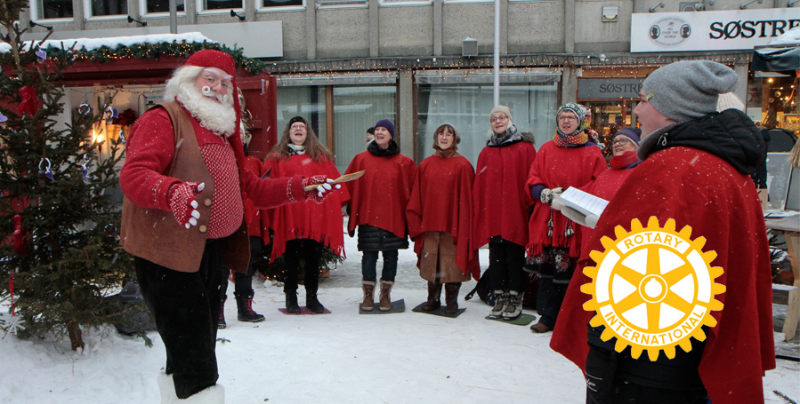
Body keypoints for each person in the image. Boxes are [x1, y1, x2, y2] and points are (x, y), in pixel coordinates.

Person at [552, 61, 775, 404]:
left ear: (672, 106)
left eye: (643, 99)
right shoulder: (724, 164)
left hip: (649, 360)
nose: (637, 110)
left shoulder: (672, 167)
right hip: (690, 354)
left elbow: (628, 269)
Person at [119, 50, 335, 403]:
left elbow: (250, 188)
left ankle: (181, 396)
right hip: (168, 255)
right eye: (210, 79)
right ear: (189, 80)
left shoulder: (222, 132)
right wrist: (171, 192)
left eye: (225, 82)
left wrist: (301, 188)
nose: (218, 87)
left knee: (194, 346)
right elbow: (134, 176)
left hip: (209, 253)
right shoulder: (164, 119)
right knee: (197, 357)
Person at [525, 103, 607, 333]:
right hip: (549, 219)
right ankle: (548, 316)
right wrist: (544, 192)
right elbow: (533, 179)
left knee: (572, 273)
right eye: (562, 117)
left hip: (575, 220)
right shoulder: (546, 149)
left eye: (571, 117)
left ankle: (571, 319)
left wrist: (572, 196)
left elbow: (599, 183)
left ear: (580, 122)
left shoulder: (592, 152)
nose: (566, 121)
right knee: (549, 273)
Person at [264, 116, 349, 314]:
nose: (299, 130)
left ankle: (312, 297)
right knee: (290, 259)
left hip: (314, 216)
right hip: (290, 215)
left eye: (302, 127)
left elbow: (335, 184)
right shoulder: (277, 157)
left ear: (308, 132)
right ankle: (291, 297)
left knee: (313, 258)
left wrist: (338, 201)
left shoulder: (320, 157)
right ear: (288, 132)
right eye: (295, 127)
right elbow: (266, 184)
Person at [406, 124, 480, 314]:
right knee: (432, 261)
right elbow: (417, 197)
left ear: (455, 139)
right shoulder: (425, 165)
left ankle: (451, 300)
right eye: (441, 134)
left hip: (453, 224)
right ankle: (432, 299)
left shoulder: (463, 165)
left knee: (452, 262)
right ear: (436, 138)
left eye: (449, 134)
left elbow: (468, 200)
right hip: (430, 224)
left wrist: (462, 222)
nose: (444, 137)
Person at [473, 105, 537, 320]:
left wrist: (529, 209)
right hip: (494, 214)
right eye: (494, 119)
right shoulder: (486, 151)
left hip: (515, 213)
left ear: (509, 120)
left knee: (515, 258)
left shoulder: (525, 149)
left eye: (502, 117)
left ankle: (515, 297)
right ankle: (500, 296)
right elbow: (480, 186)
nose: (498, 121)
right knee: (496, 258)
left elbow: (532, 180)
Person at [345, 119, 416, 311]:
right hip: (368, 217)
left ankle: (385, 295)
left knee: (391, 257)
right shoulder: (361, 159)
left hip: (394, 218)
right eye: (377, 130)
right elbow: (347, 185)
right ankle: (368, 295)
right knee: (369, 257)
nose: (379, 132)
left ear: (391, 135)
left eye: (384, 130)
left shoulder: (404, 163)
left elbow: (415, 191)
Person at [218, 121, 268, 328]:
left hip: (249, 222)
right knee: (220, 269)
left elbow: (264, 191)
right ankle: (217, 311)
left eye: (241, 134)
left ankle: (245, 307)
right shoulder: (218, 159)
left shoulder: (254, 162)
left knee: (246, 267)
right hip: (223, 221)